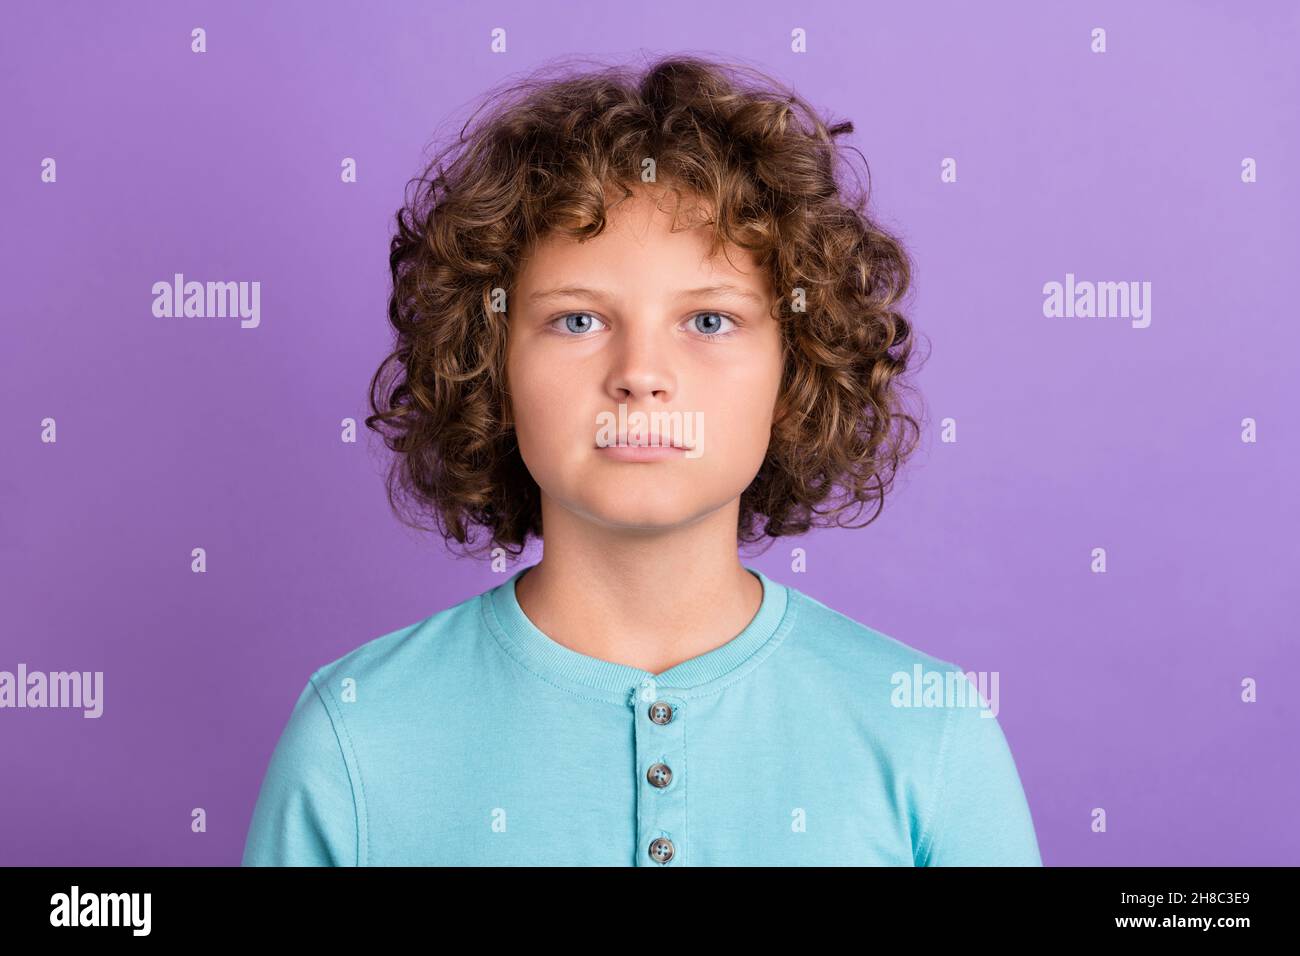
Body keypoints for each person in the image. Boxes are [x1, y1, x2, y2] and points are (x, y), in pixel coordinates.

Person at [241, 53, 1041, 866]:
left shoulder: (927, 729)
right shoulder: (356, 735)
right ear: (492, 362)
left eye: (709, 322)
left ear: (794, 367)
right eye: (578, 321)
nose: (641, 376)